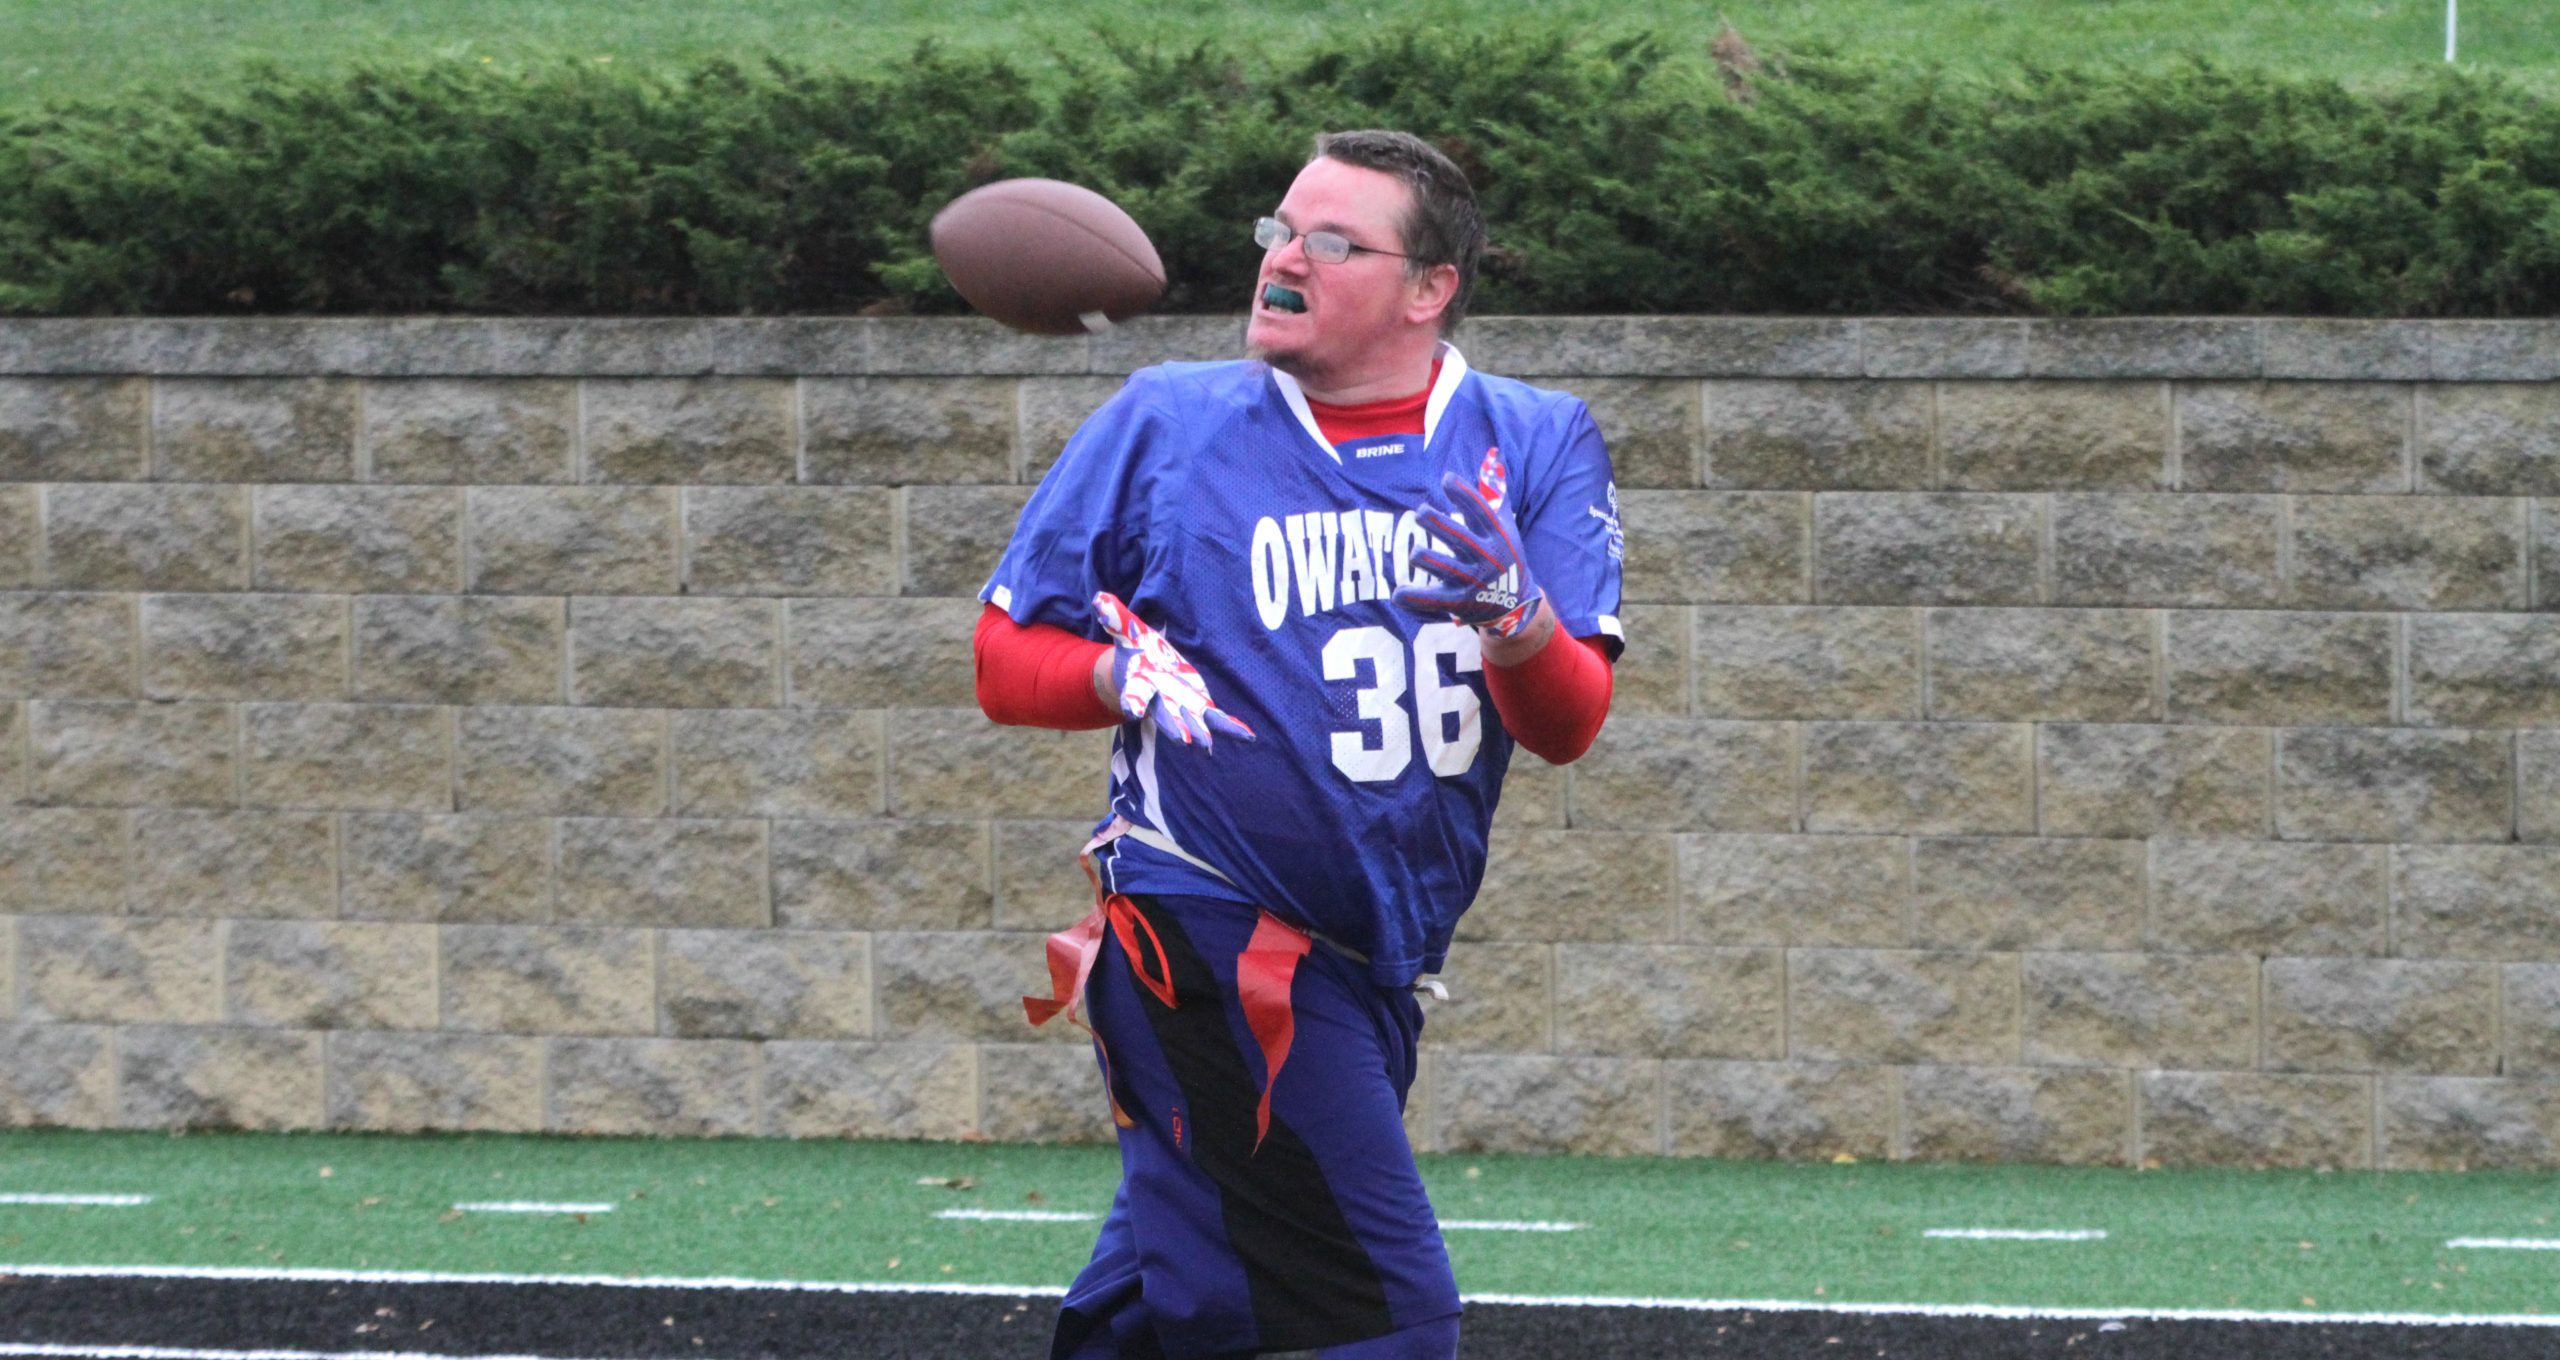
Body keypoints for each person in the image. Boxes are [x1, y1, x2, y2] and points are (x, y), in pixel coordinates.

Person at [972, 129, 1625, 1360]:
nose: (1284, 259)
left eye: (1333, 240)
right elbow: (1003, 663)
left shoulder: (1529, 439)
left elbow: (1569, 723)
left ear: (1429, 288)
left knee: (1174, 1304)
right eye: (1280, 230)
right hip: (1206, 921)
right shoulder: (1171, 421)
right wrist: (1115, 671)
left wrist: (1518, 620)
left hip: (1372, 949)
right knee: (1384, 1315)